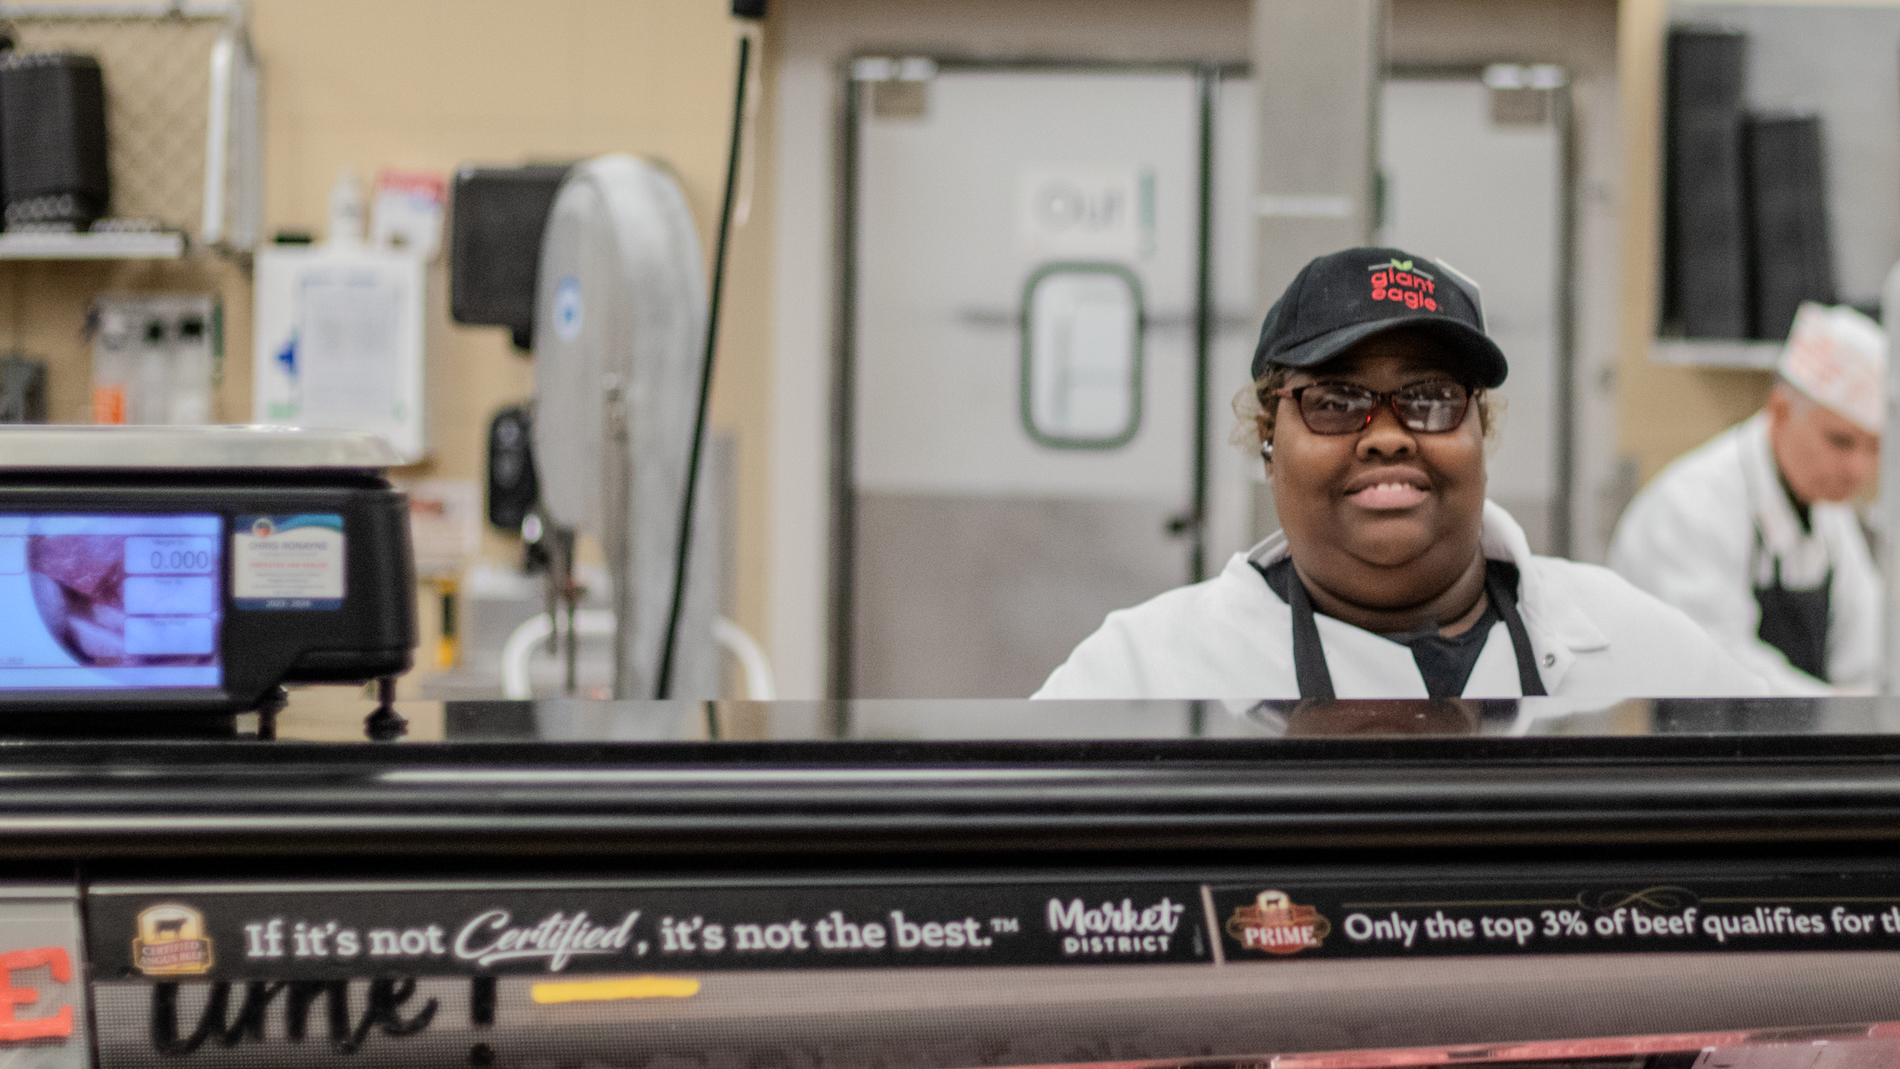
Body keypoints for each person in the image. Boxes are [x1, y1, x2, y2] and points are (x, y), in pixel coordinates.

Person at [1034, 247, 1764, 700]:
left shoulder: (1642, 646)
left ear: (1482, 432)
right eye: (1335, 400)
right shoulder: (1142, 670)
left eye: (1431, 399)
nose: (1385, 436)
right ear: (1267, 438)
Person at [1608, 303, 1884, 695]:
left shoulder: (1828, 512)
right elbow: (1717, 670)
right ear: (1781, 410)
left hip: (1786, 743)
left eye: (1875, 447)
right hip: (1683, 746)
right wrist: (1836, 716)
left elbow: (1864, 656)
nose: (1859, 469)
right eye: (1840, 441)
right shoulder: (1692, 510)